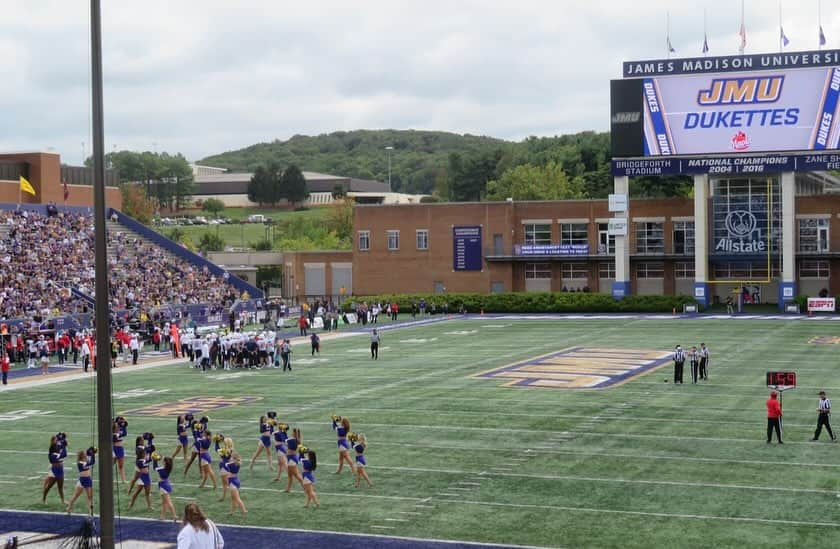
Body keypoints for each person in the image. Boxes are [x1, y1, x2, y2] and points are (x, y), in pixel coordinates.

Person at [66, 447, 96, 515]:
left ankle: (90, 512)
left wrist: (92, 452)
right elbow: (91, 462)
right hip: (82, 480)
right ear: (82, 456)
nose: (86, 455)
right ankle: (69, 507)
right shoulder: (80, 463)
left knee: (90, 496)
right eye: (84, 454)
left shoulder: (85, 460)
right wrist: (92, 454)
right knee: (76, 495)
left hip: (88, 479)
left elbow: (92, 461)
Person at [42, 433, 68, 504]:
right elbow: (64, 454)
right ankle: (44, 499)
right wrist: (64, 446)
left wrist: (63, 440)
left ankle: (63, 501)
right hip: (54, 470)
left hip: (60, 469)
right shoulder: (52, 448)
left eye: (57, 439)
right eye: (56, 439)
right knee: (49, 486)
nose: (57, 440)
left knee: (60, 487)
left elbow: (63, 445)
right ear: (53, 441)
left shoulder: (57, 445)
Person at [155, 455, 178, 521]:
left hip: (163, 486)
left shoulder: (161, 470)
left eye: (163, 460)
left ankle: (174, 515)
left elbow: (155, 468)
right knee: (164, 502)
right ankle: (162, 516)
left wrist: (155, 460)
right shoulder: (168, 468)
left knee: (168, 502)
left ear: (165, 462)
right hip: (166, 484)